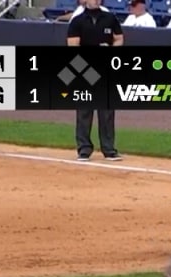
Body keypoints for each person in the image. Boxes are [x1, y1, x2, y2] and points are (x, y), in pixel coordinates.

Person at [66, 0, 123, 161]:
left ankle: (109, 149)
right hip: (85, 69)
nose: (96, 0)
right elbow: (72, 45)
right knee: (84, 110)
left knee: (107, 112)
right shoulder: (77, 21)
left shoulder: (110, 18)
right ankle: (84, 149)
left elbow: (119, 38)